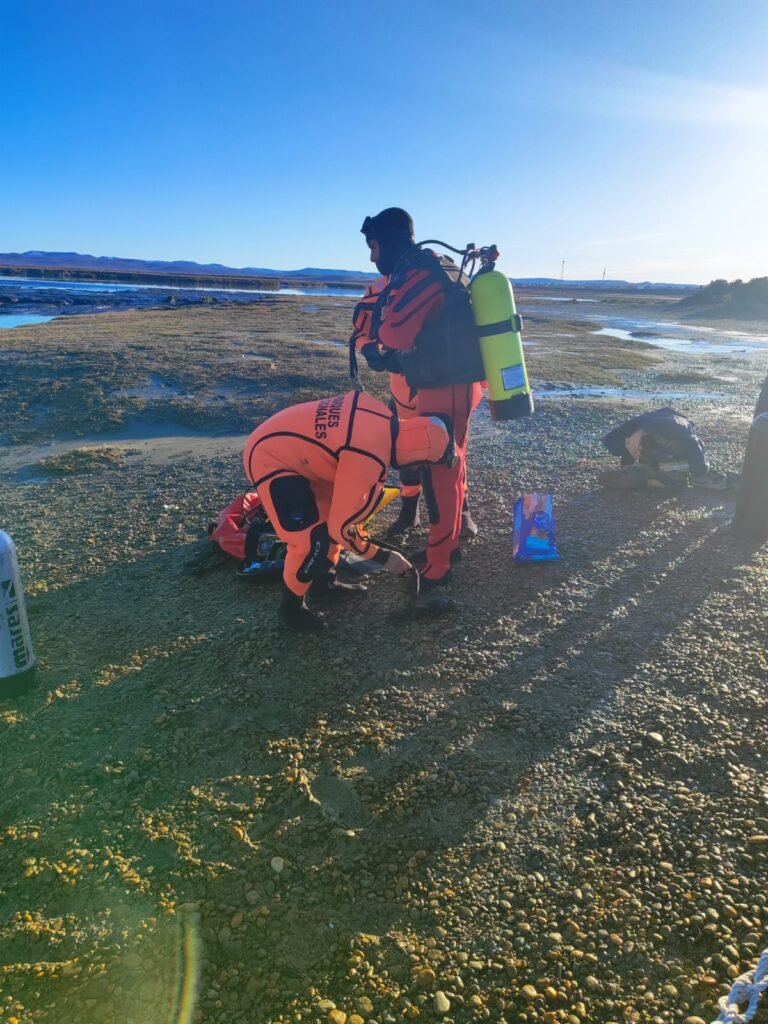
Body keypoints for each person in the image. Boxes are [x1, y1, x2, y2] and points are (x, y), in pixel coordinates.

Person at [242, 390, 456, 630]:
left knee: (328, 522)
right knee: (311, 540)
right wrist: (386, 558)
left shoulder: (382, 417)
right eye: (420, 465)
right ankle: (291, 610)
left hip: (301, 454)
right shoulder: (368, 455)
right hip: (271, 458)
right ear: (415, 458)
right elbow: (343, 529)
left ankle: (323, 585)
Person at [351, 207, 482, 588]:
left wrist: (380, 348)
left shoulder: (420, 271)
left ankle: (439, 564)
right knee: (450, 466)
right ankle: (449, 543)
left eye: (373, 246)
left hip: (446, 386)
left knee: (439, 471)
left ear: (389, 240)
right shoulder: (431, 266)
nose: (373, 256)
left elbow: (395, 334)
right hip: (451, 385)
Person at [601, 407, 727, 491]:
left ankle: (647, 476)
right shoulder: (675, 426)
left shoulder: (667, 424)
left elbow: (693, 443)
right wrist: (699, 474)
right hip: (657, 460)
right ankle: (645, 476)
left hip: (659, 463)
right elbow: (693, 444)